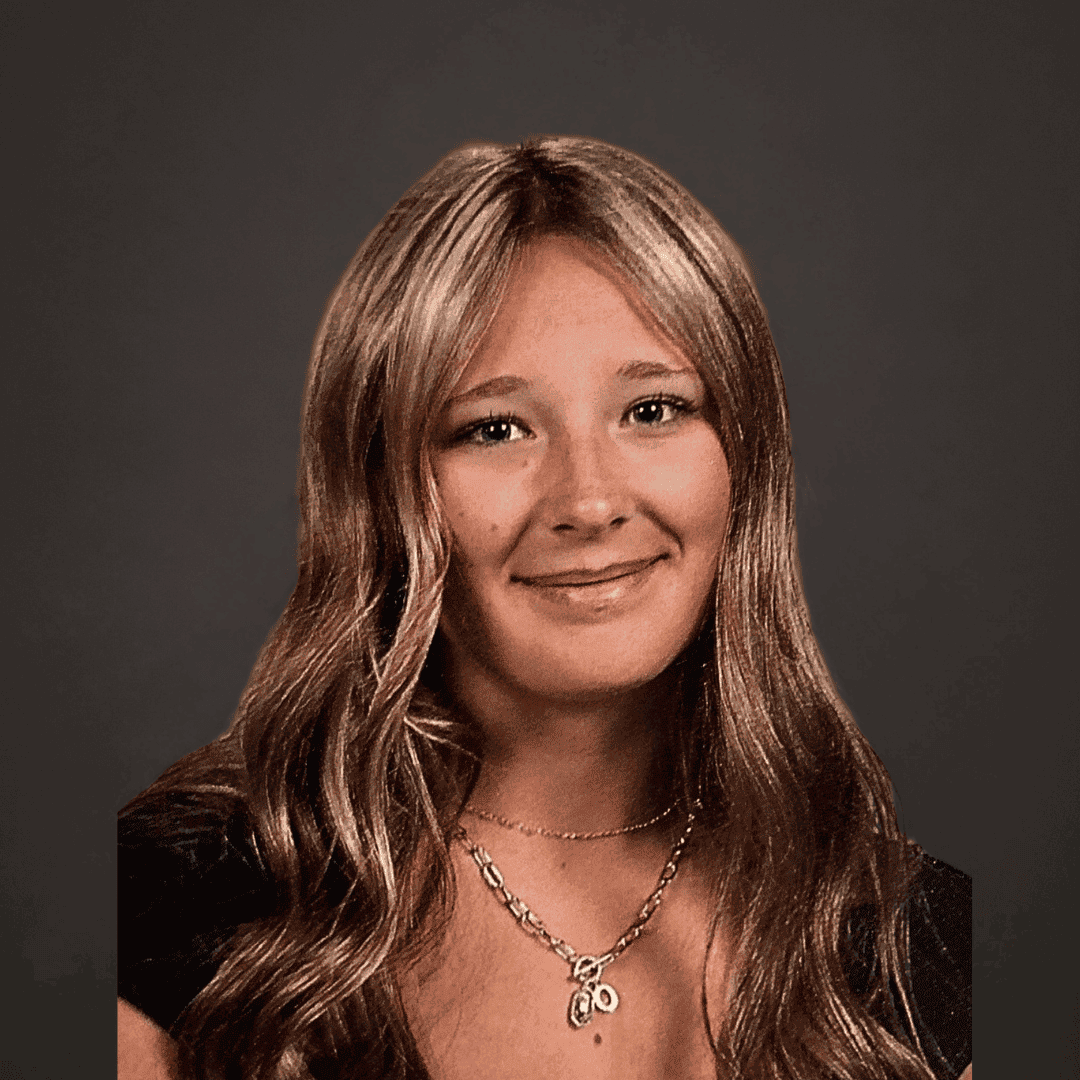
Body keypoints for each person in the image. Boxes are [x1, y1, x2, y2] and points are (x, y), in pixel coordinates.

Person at [118, 136, 972, 1080]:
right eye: (495, 428)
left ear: (744, 460)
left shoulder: (915, 945)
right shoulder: (184, 896)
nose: (590, 500)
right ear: (386, 492)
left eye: (653, 410)